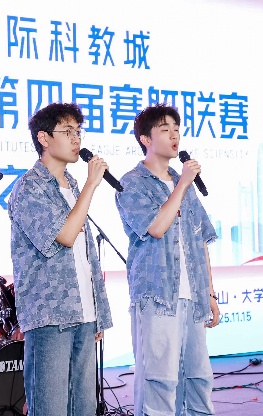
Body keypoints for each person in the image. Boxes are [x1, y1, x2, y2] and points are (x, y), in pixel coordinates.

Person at [8, 102, 113, 415]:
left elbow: (85, 256)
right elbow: (65, 236)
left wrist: (96, 310)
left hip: (83, 313)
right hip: (50, 315)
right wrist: (93, 183)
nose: (76, 139)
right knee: (50, 407)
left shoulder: (73, 186)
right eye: (67, 132)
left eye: (78, 132)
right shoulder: (29, 187)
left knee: (84, 406)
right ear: (44, 138)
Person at [115, 103, 220, 415]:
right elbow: (156, 227)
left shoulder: (182, 180)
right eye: (165, 129)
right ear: (146, 139)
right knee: (159, 382)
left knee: (199, 379)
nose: (175, 135)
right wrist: (183, 183)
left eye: (176, 129)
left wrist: (209, 293)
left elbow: (200, 239)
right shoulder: (132, 182)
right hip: (158, 297)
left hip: (194, 297)